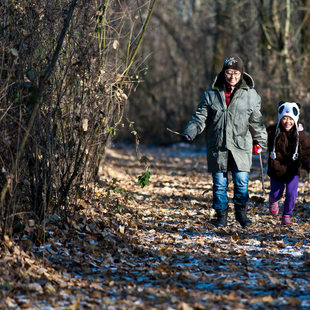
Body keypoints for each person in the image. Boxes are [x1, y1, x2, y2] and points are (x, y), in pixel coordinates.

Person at [182, 54, 267, 228]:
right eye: (229, 72)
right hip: (218, 146)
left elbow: (256, 121)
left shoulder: (251, 95)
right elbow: (200, 117)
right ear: (223, 73)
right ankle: (221, 215)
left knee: (242, 182)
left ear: (242, 74)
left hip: (241, 146)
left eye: (236, 73)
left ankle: (241, 213)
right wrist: (190, 132)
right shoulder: (211, 94)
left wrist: (260, 142)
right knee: (219, 185)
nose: (232, 76)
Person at [267, 101, 310, 225]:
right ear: (280, 118)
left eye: (290, 119)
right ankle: (273, 200)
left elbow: (307, 151)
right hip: (276, 169)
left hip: (292, 170)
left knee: (292, 194)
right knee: (276, 193)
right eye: (284, 118)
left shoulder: (300, 135)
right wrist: (257, 144)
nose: (287, 122)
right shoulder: (272, 132)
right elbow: (261, 139)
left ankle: (286, 215)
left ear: (295, 119)